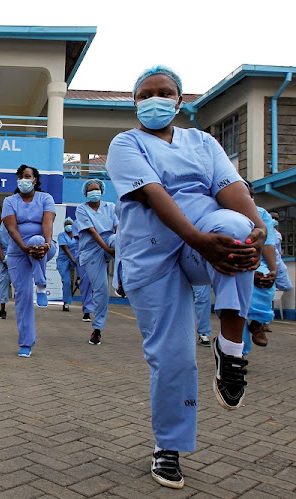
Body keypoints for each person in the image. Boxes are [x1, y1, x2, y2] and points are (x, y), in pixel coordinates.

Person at [105, 65, 265, 489]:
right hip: (153, 253)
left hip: (203, 237)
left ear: (180, 101)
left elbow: (231, 189)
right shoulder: (126, 143)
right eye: (145, 94)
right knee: (172, 355)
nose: (155, 99)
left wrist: (257, 226)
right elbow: (155, 195)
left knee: (235, 230)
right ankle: (168, 447)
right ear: (135, 102)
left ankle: (231, 350)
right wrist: (197, 239)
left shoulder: (203, 142)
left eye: (165, 92)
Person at [2, 164, 57, 358]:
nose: (24, 180)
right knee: (23, 297)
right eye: (21, 177)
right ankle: (26, 343)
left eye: (28, 177)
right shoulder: (10, 201)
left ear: (35, 180)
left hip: (44, 247)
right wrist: (24, 248)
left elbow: (47, 222)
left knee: (36, 240)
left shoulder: (46, 198)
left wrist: (47, 244)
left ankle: (41, 284)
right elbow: (11, 228)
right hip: (18, 253)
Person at [75, 179, 118, 346]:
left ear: (102, 191)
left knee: (118, 240)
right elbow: (92, 231)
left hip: (110, 240)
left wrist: (116, 246)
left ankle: (121, 281)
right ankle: (97, 329)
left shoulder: (111, 207)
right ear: (86, 193)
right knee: (101, 291)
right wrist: (107, 250)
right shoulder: (82, 209)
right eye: (91, 190)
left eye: (97, 189)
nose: (94, 192)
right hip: (92, 250)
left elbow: (117, 228)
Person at [242, 182, 278, 351]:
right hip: (234, 260)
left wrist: (273, 270)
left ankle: (258, 323)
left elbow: (268, 243)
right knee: (236, 307)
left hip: (258, 260)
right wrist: (248, 271)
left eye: (251, 194)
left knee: (267, 282)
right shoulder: (225, 212)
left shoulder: (262, 214)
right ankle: (239, 352)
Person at [72, 220, 95, 322]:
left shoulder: (99, 220)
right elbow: (80, 239)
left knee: (93, 282)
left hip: (96, 253)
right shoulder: (77, 223)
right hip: (82, 254)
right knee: (86, 281)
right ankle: (87, 310)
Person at [57, 217, 78, 311]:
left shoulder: (76, 235)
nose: (68, 226)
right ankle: (66, 303)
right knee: (66, 281)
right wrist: (73, 260)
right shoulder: (61, 235)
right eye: (67, 224)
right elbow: (66, 249)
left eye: (70, 224)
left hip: (75, 260)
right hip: (63, 260)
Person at [270, 211, 293, 293]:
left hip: (276, 261)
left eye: (276, 219)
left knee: (286, 286)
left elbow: (278, 251)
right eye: (272, 218)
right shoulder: (262, 231)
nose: (274, 220)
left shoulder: (277, 234)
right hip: (265, 262)